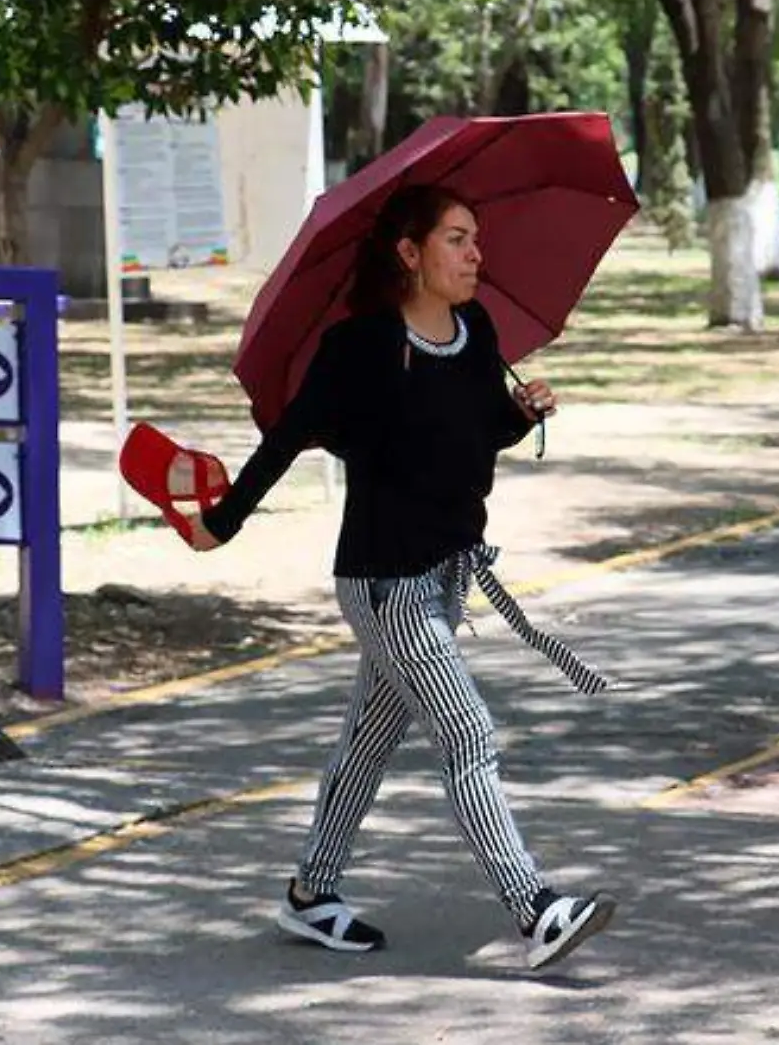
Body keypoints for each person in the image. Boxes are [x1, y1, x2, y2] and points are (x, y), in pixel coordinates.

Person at [166, 183, 615, 972]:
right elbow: (287, 439)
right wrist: (221, 523)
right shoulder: (359, 348)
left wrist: (520, 416)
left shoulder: (475, 331)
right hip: (385, 582)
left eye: (476, 238)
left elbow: (474, 435)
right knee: (467, 733)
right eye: (456, 239)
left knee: (370, 740)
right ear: (409, 253)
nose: (476, 253)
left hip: (447, 576)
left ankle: (312, 895)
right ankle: (534, 907)